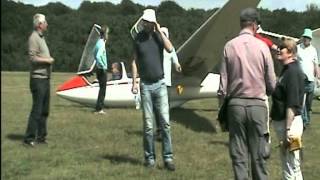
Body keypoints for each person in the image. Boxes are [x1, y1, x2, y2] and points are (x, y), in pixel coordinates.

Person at [218, 8, 276, 180]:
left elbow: (222, 86)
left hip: (235, 105)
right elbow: (271, 82)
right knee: (259, 156)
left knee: (239, 155)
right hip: (257, 104)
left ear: (242, 24)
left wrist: (221, 111)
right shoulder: (263, 47)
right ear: (254, 25)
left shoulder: (229, 46)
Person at [131, 9, 175, 171]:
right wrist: (135, 82)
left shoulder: (158, 37)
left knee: (165, 123)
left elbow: (170, 49)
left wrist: (158, 29)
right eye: (145, 21)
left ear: (153, 22)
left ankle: (168, 158)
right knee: (148, 125)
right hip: (146, 85)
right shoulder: (138, 38)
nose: (146, 24)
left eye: (149, 22)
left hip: (160, 84)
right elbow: (134, 61)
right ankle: (149, 159)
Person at [271, 38, 305, 180]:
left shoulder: (292, 72)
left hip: (289, 124)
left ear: (290, 53)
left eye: (282, 48)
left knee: (290, 165)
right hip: (285, 122)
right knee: (291, 165)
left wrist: (287, 130)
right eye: (279, 47)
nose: (278, 50)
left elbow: (292, 104)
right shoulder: (287, 69)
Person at [23, 13, 54, 147]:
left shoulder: (42, 38)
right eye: (45, 22)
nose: (47, 24)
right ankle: (29, 138)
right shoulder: (33, 38)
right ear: (39, 25)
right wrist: (47, 60)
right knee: (37, 109)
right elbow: (32, 58)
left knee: (45, 110)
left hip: (45, 79)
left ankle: (41, 137)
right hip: (38, 79)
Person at [154, 27, 182, 141]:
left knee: (164, 108)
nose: (163, 36)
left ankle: (164, 131)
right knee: (156, 108)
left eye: (165, 34)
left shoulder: (170, 49)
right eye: (161, 34)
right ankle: (160, 130)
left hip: (166, 83)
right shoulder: (155, 48)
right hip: (156, 81)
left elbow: (176, 62)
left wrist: (177, 66)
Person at [297, 28, 319, 128]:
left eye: (308, 38)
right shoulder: (297, 48)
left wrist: (318, 77)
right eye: (305, 37)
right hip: (300, 79)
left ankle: (307, 119)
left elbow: (316, 65)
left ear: (310, 39)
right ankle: (304, 121)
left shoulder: (313, 50)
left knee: (308, 103)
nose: (306, 39)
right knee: (301, 101)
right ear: (303, 38)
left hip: (311, 80)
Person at [94, 25, 109, 114]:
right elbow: (98, 55)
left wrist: (97, 63)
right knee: (103, 89)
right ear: (105, 34)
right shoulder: (102, 44)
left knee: (101, 88)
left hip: (98, 68)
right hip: (102, 69)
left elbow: (94, 53)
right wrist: (103, 65)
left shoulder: (98, 42)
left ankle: (98, 107)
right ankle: (99, 108)